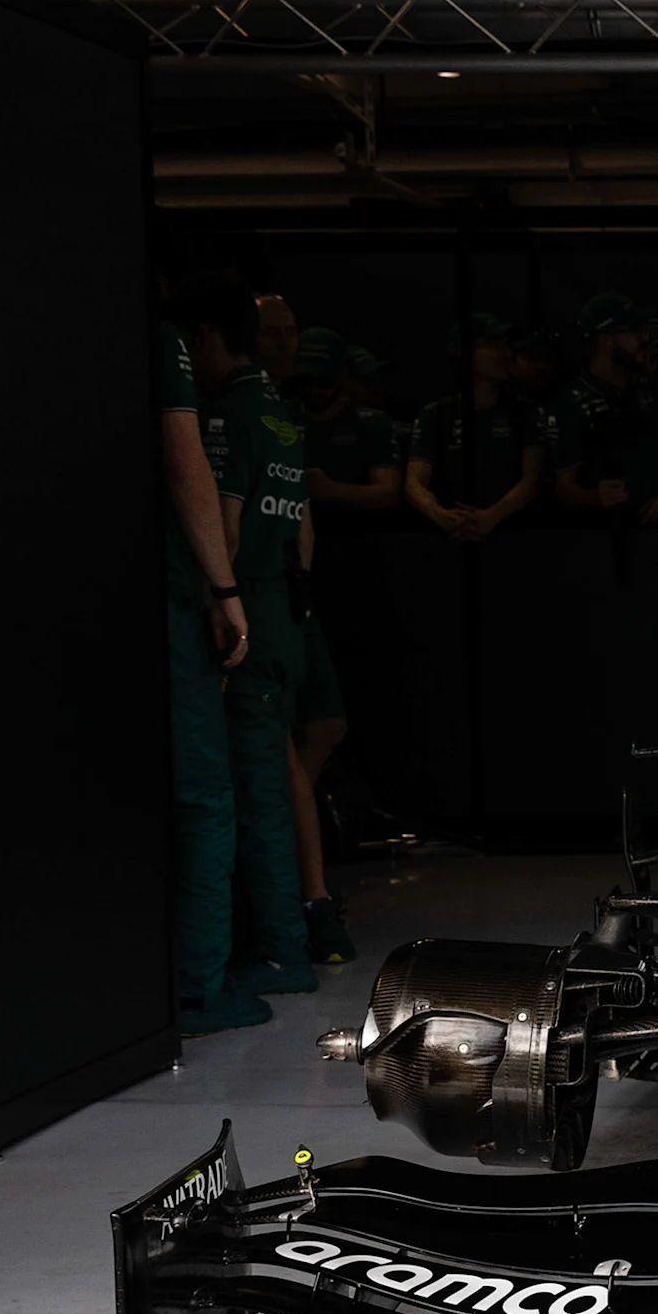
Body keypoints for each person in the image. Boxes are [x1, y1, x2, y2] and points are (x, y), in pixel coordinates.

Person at [189, 284, 321, 1005]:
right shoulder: (284, 416)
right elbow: (302, 531)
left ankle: (277, 949)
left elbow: (227, 525)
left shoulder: (230, 416)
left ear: (211, 338)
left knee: (257, 790)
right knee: (272, 778)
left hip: (246, 614)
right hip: (284, 614)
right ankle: (286, 936)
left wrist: (220, 599)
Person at [158, 279, 259, 1034]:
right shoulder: (158, 341)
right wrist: (224, 587)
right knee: (200, 796)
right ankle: (198, 985)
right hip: (167, 600)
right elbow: (186, 461)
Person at [262, 320, 380, 967]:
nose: (282, 342)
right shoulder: (235, 412)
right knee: (271, 747)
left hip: (290, 597)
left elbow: (297, 508)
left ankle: (285, 842)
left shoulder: (280, 413)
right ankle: (306, 894)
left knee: (325, 725)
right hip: (251, 600)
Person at [545, 294, 658, 525]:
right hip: (598, 538)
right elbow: (562, 488)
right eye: (633, 330)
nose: (644, 337)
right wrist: (594, 497)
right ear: (606, 339)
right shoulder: (569, 402)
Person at [407, 331, 547, 542]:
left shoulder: (526, 413)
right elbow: (414, 483)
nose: (505, 354)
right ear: (463, 353)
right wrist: (440, 514)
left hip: (516, 538)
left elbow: (533, 480)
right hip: (450, 540)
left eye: (505, 345)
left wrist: (492, 516)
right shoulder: (436, 414)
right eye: (493, 345)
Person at [292, 328, 404, 513]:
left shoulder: (371, 423)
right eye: (304, 381)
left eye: (323, 382)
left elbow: (390, 493)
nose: (313, 390)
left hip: (353, 532)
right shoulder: (279, 416)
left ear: (341, 376)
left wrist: (331, 489)